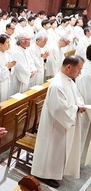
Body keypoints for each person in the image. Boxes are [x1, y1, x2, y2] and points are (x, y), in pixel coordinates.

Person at [31, 55, 87, 188]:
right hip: (55, 126)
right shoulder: (57, 85)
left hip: (61, 125)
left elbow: (76, 96)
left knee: (57, 152)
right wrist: (76, 108)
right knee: (52, 151)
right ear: (69, 67)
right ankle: (44, 174)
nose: (80, 72)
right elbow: (59, 109)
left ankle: (53, 173)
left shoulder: (68, 80)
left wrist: (79, 104)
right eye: (79, 69)